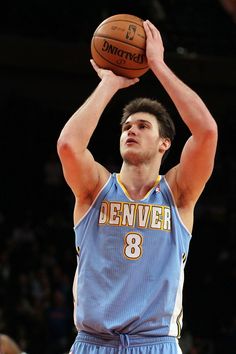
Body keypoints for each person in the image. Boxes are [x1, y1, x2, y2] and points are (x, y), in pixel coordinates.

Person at [57, 20, 218, 354]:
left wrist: (158, 65)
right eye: (126, 126)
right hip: (93, 343)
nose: (131, 130)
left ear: (164, 144)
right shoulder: (95, 189)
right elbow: (69, 146)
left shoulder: (178, 193)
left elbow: (206, 133)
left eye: (143, 126)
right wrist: (110, 84)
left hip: (155, 344)